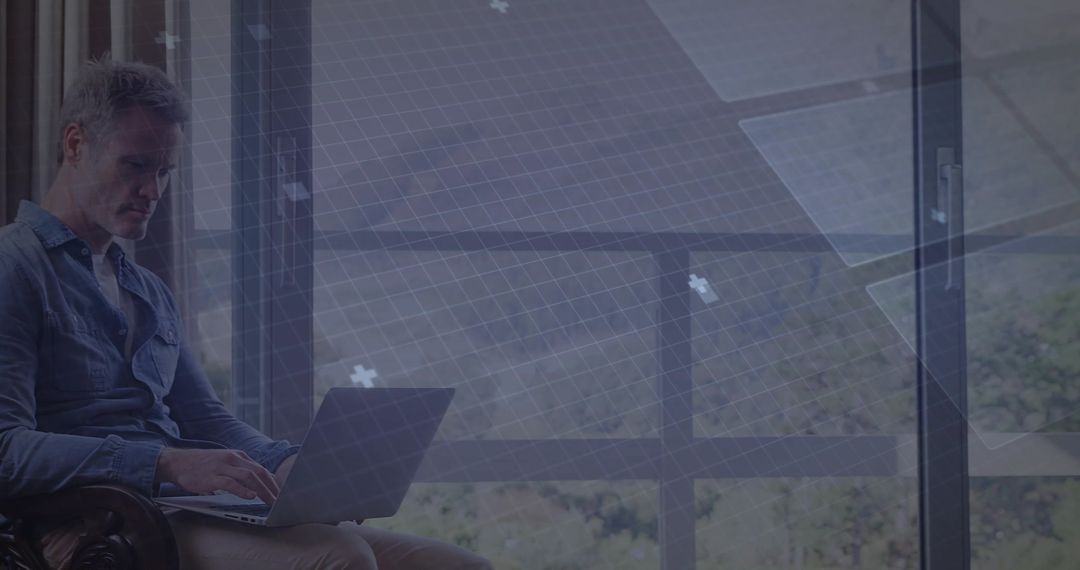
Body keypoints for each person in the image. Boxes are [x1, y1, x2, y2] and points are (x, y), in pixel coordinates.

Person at [0, 56, 492, 570]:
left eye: (164, 172)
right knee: (339, 558)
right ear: (76, 144)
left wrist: (288, 464)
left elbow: (205, 418)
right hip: (93, 521)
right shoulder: (14, 269)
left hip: (175, 510)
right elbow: (5, 451)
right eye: (135, 166)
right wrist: (166, 462)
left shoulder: (145, 289)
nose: (153, 192)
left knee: (456, 565)